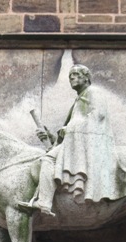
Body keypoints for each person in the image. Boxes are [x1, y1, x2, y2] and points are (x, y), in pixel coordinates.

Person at [18, 64, 119, 216]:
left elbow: (98, 116)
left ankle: (44, 202)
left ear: (87, 78)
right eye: (70, 75)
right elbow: (66, 134)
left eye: (76, 74)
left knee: (48, 160)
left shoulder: (93, 92)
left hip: (90, 143)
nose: (72, 77)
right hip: (77, 141)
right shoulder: (79, 100)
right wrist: (50, 137)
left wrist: (70, 127)